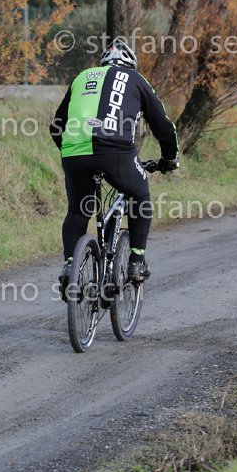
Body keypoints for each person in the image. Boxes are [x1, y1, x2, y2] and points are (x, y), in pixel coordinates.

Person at [49, 39, 178, 291]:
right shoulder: (135, 79)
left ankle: (69, 267)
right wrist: (169, 158)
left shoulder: (81, 77)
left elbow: (56, 125)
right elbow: (163, 125)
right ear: (130, 64)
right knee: (140, 195)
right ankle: (137, 261)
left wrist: (70, 151)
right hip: (115, 151)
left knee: (78, 211)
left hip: (74, 152)